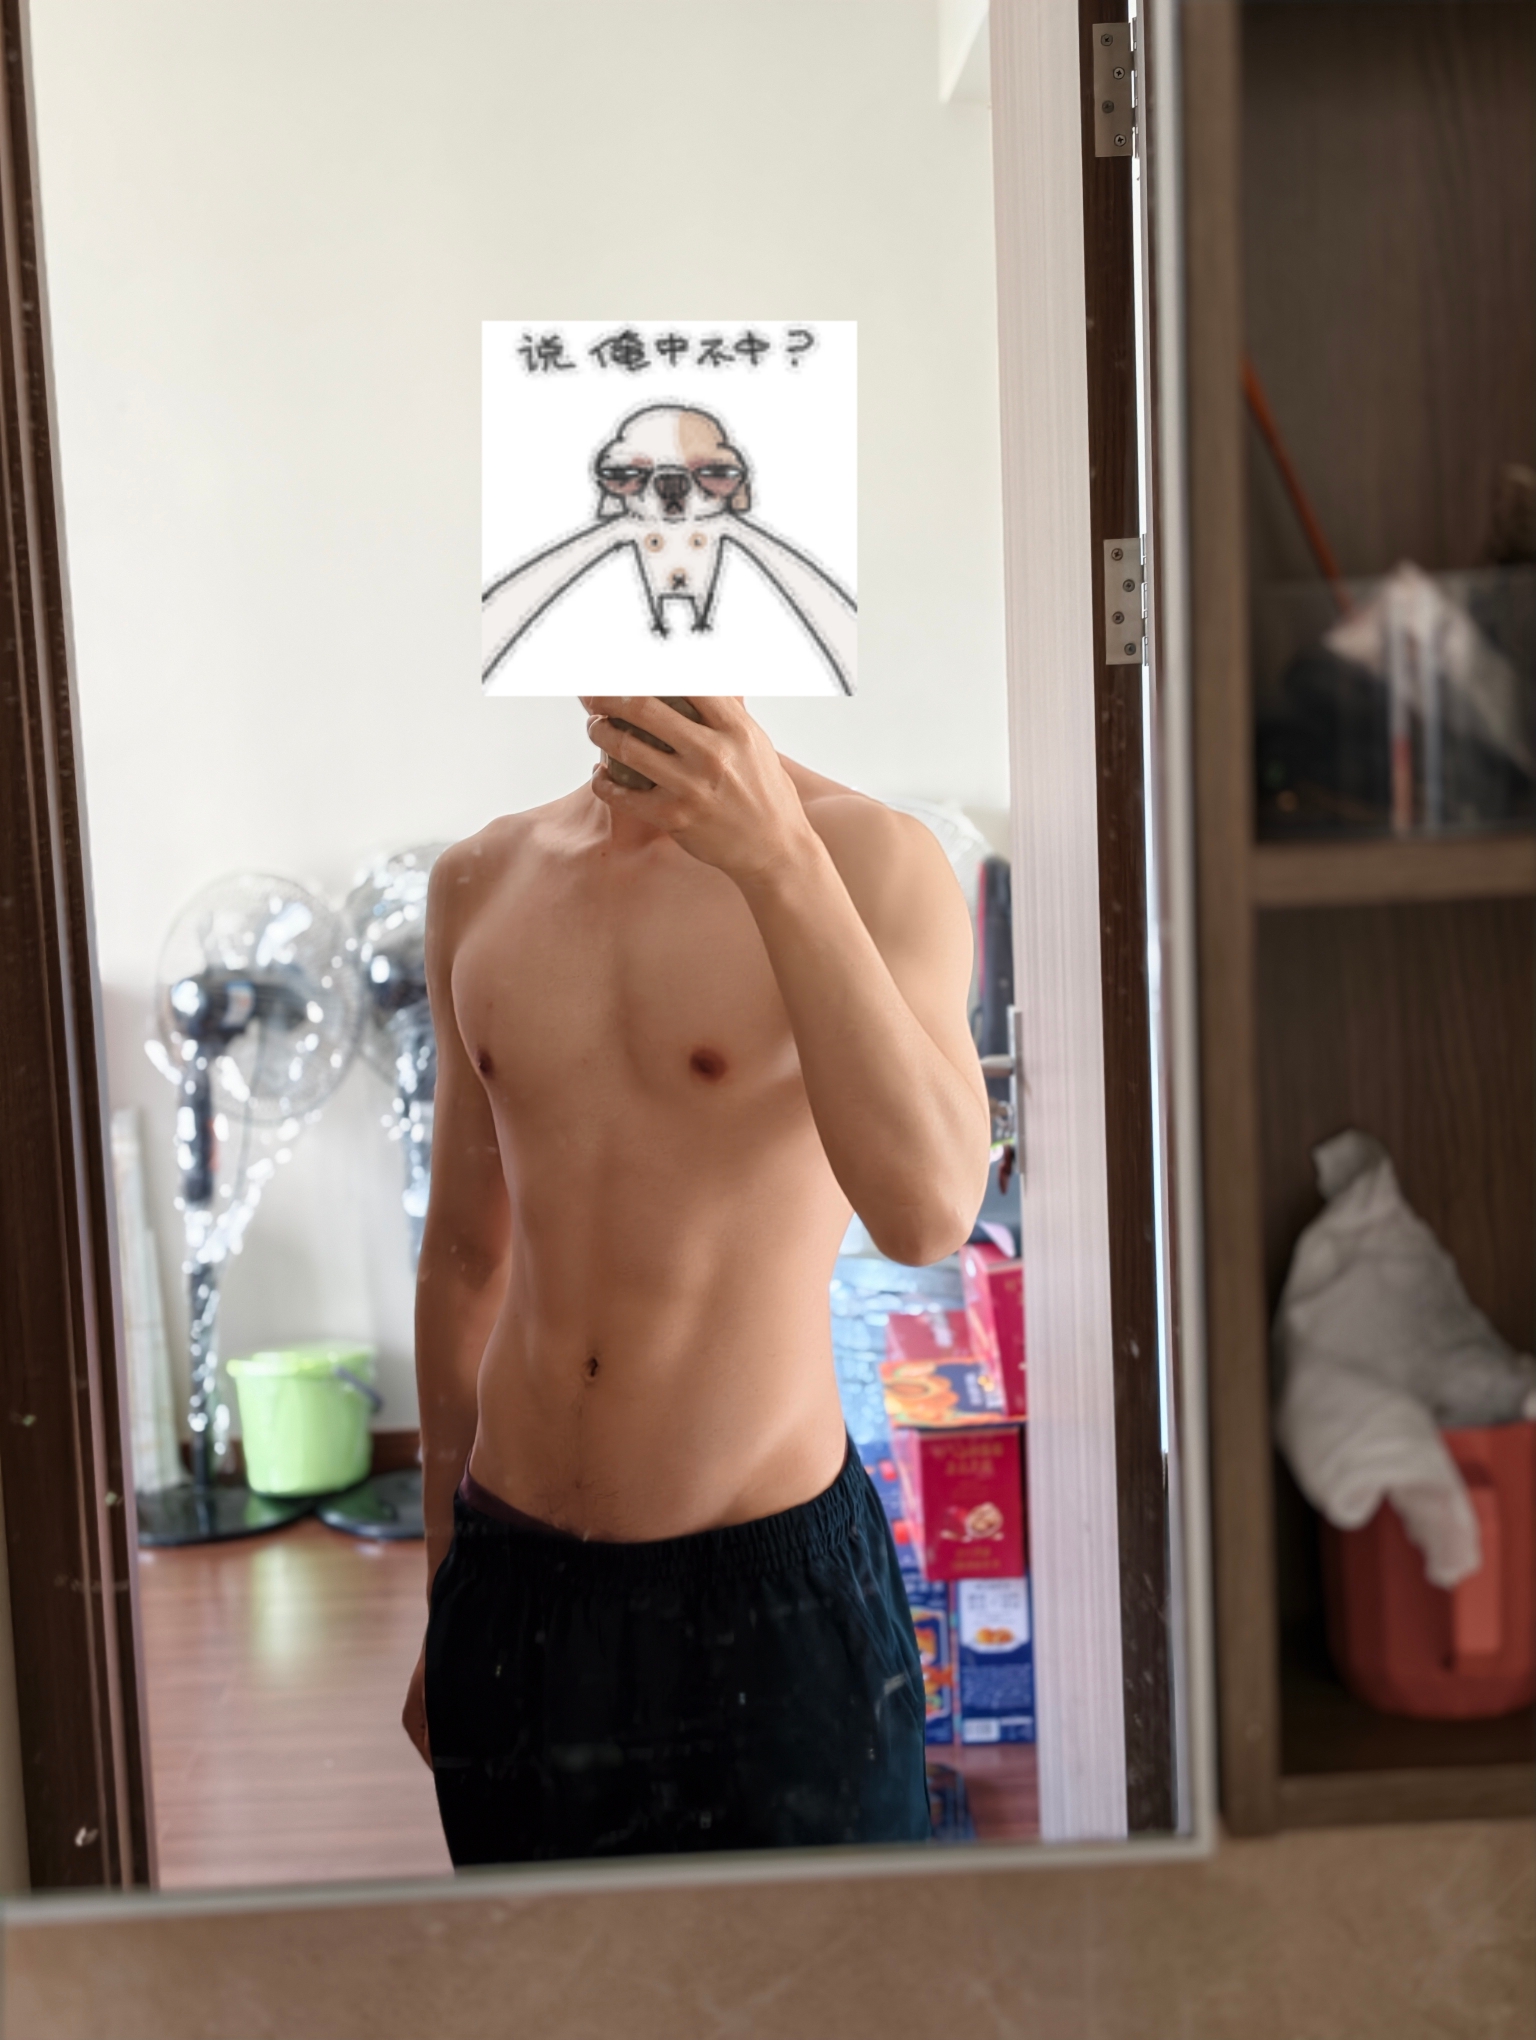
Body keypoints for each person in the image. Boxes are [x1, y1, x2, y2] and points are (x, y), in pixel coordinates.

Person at [401, 695, 991, 1863]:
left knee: (812, 1965)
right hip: (512, 1583)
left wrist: (777, 860)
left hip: (768, 1592)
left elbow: (929, 1214)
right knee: (540, 1966)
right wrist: (442, 1585)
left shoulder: (872, 860)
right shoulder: (480, 878)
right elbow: (467, 1254)